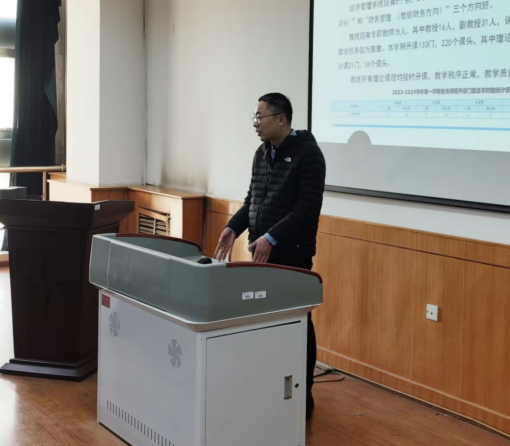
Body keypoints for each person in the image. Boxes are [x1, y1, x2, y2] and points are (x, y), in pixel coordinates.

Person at [214, 93, 326, 420]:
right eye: (254, 117)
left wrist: (272, 237)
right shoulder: (262, 153)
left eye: (259, 117)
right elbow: (253, 199)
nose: (255, 124)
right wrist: (233, 228)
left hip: (292, 255)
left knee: (298, 322)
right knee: (265, 321)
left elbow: (306, 209)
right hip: (261, 253)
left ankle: (303, 396)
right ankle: (270, 388)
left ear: (281, 119)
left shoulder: (309, 154)